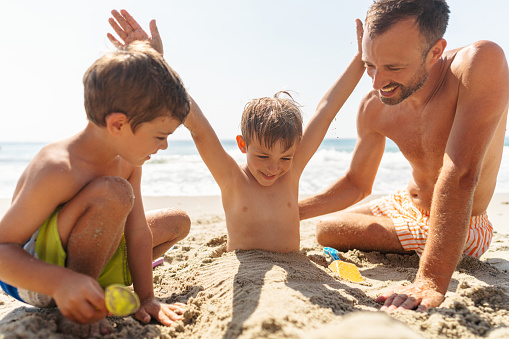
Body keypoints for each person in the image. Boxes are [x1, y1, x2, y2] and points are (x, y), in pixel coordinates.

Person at [299, 0, 509, 312]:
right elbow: (356, 183)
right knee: (324, 225)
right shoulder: (373, 105)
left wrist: (430, 281)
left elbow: (461, 173)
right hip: (403, 202)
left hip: (463, 223)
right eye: (370, 64)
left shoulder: (480, 63)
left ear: (435, 52)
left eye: (394, 67)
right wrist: (283, 211)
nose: (376, 83)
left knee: (327, 231)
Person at [107, 9, 365, 253]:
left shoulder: (292, 170)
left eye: (285, 158)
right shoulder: (231, 178)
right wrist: (157, 64)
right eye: (263, 156)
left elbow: (326, 110)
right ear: (243, 144)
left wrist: (360, 61)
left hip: (295, 267)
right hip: (244, 271)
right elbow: (197, 125)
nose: (274, 168)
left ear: (294, 149)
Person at [0, 41, 191, 336]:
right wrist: (60, 283)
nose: (164, 145)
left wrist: (146, 298)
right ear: (118, 124)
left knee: (177, 221)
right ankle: (81, 310)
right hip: (34, 277)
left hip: (87, 256)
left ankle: (92, 285)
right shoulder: (58, 168)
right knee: (114, 193)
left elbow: (138, 231)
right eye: (160, 135)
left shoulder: (128, 161)